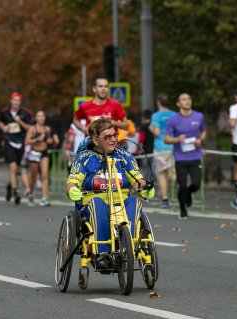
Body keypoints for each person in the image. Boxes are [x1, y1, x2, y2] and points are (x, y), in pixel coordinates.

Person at [65, 118, 152, 268]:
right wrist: (71, 189)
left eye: (114, 135)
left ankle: (128, 247)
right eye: (107, 137)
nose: (113, 140)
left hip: (121, 203)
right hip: (93, 203)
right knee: (97, 204)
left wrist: (144, 187)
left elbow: (137, 179)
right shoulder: (83, 158)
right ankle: (102, 254)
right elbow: (73, 180)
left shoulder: (124, 156)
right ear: (95, 139)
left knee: (134, 202)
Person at [164, 93, 206, 219]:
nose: (187, 101)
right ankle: (182, 209)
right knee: (182, 185)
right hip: (180, 157)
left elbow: (203, 131)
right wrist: (177, 139)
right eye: (183, 99)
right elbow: (166, 139)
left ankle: (188, 193)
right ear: (178, 104)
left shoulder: (199, 116)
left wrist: (200, 140)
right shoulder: (174, 120)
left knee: (196, 184)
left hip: (195, 156)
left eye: (188, 98)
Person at [73, 77, 127, 150]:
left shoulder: (115, 105)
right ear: (94, 89)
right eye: (100, 86)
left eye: (106, 86)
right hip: (91, 147)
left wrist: (112, 122)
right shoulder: (85, 106)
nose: (103, 89)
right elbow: (75, 120)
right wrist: (84, 129)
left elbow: (126, 125)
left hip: (110, 148)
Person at [0, 92, 33, 204]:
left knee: (17, 170)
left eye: (18, 101)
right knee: (13, 167)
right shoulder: (4, 112)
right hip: (9, 142)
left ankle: (9, 186)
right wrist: (4, 127)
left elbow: (29, 127)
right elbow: (0, 121)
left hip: (21, 142)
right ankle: (15, 191)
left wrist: (19, 121)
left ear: (20, 102)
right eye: (14, 100)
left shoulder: (25, 113)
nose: (16, 102)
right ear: (11, 101)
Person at [24, 110, 58, 207]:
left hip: (44, 153)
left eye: (43, 116)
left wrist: (50, 141)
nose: (41, 118)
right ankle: (30, 194)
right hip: (34, 153)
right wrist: (36, 139)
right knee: (34, 177)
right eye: (39, 116)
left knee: (44, 175)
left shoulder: (47, 129)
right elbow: (26, 141)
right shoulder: (32, 129)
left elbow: (53, 141)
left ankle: (44, 197)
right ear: (36, 118)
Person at [150, 94, 175, 208]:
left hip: (160, 146)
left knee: (162, 174)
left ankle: (165, 198)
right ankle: (181, 192)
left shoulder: (156, 116)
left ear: (158, 102)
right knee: (172, 173)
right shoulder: (174, 115)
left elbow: (156, 132)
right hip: (173, 146)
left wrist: (151, 128)